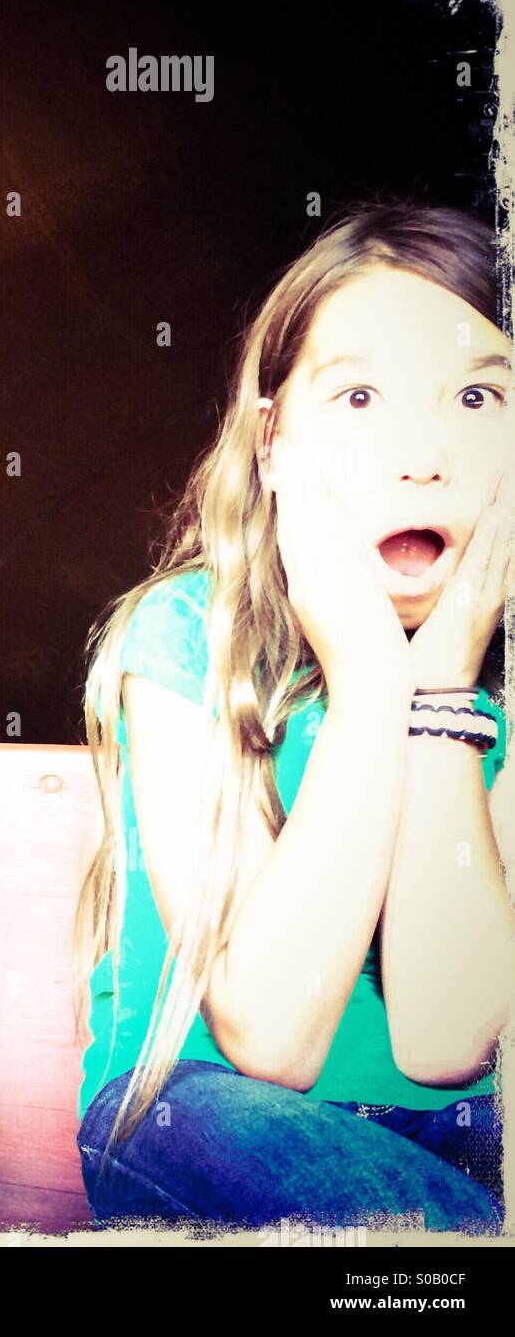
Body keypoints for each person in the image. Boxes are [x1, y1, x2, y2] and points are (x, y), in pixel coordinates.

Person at [72, 201, 514, 1235]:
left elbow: (447, 1042)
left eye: (475, 395)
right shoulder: (184, 631)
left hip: (461, 1124)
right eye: (359, 395)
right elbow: (270, 1037)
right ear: (274, 446)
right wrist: (369, 684)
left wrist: (442, 680)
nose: (421, 456)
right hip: (203, 1112)